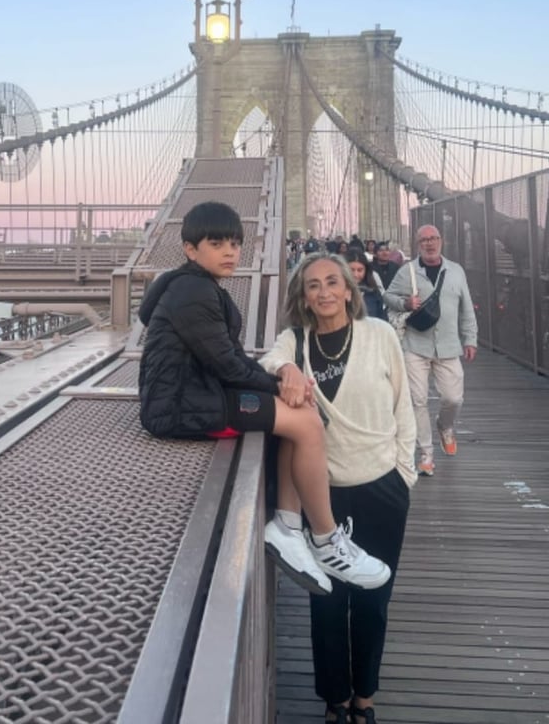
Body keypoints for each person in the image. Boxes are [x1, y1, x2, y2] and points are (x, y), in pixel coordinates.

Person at [138, 200, 391, 596]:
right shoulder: (194, 292)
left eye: (235, 244)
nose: (230, 252)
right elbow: (228, 365)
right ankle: (325, 540)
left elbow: (230, 358)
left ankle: (289, 527)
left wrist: (285, 382)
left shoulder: (194, 286)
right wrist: (280, 385)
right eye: (216, 243)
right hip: (181, 407)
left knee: (298, 411)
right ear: (190, 249)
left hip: (195, 393)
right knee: (305, 421)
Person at [262, 254, 416, 724]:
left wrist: (404, 473)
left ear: (350, 289)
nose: (324, 292)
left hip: (382, 487)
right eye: (313, 286)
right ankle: (335, 700)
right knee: (327, 599)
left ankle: (364, 698)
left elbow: (403, 407)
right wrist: (287, 370)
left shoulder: (381, 336)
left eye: (333, 283)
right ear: (303, 297)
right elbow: (268, 358)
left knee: (374, 601)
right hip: (323, 496)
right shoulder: (296, 341)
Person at [385, 224, 478, 477]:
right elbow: (388, 296)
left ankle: (445, 427)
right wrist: (405, 302)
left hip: (449, 345)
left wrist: (470, 339)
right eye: (424, 239)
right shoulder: (408, 272)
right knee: (418, 400)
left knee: (453, 398)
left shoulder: (456, 271)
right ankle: (426, 454)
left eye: (434, 238)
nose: (429, 243)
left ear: (441, 241)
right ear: (418, 244)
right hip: (416, 344)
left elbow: (466, 308)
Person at [346, 247, 387, 321]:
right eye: (351, 270)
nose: (355, 274)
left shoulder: (373, 292)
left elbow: (382, 318)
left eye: (360, 270)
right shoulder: (338, 293)